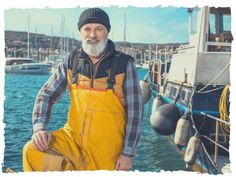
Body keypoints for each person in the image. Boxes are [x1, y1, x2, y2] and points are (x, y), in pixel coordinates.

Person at [23, 7, 143, 171]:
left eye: (98, 29)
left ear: (107, 32)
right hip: (72, 141)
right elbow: (46, 95)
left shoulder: (124, 64)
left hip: (108, 151)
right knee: (32, 149)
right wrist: (39, 128)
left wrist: (128, 153)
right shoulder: (71, 61)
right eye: (87, 29)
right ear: (81, 32)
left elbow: (135, 112)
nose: (92, 35)